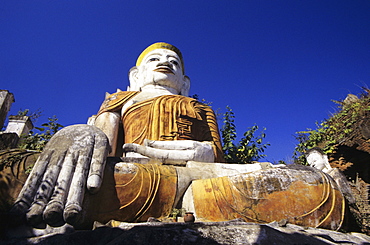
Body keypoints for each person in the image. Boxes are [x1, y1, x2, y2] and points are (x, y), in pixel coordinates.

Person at [12, 43, 345, 231]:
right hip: (132, 174)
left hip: (196, 175)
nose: (164, 64)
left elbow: (216, 155)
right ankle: (197, 205)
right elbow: (100, 152)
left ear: (185, 81)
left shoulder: (199, 107)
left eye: (173, 62)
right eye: (154, 60)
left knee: (316, 189)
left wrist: (191, 151)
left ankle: (197, 203)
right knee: (19, 170)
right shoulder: (120, 101)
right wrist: (77, 133)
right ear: (135, 75)